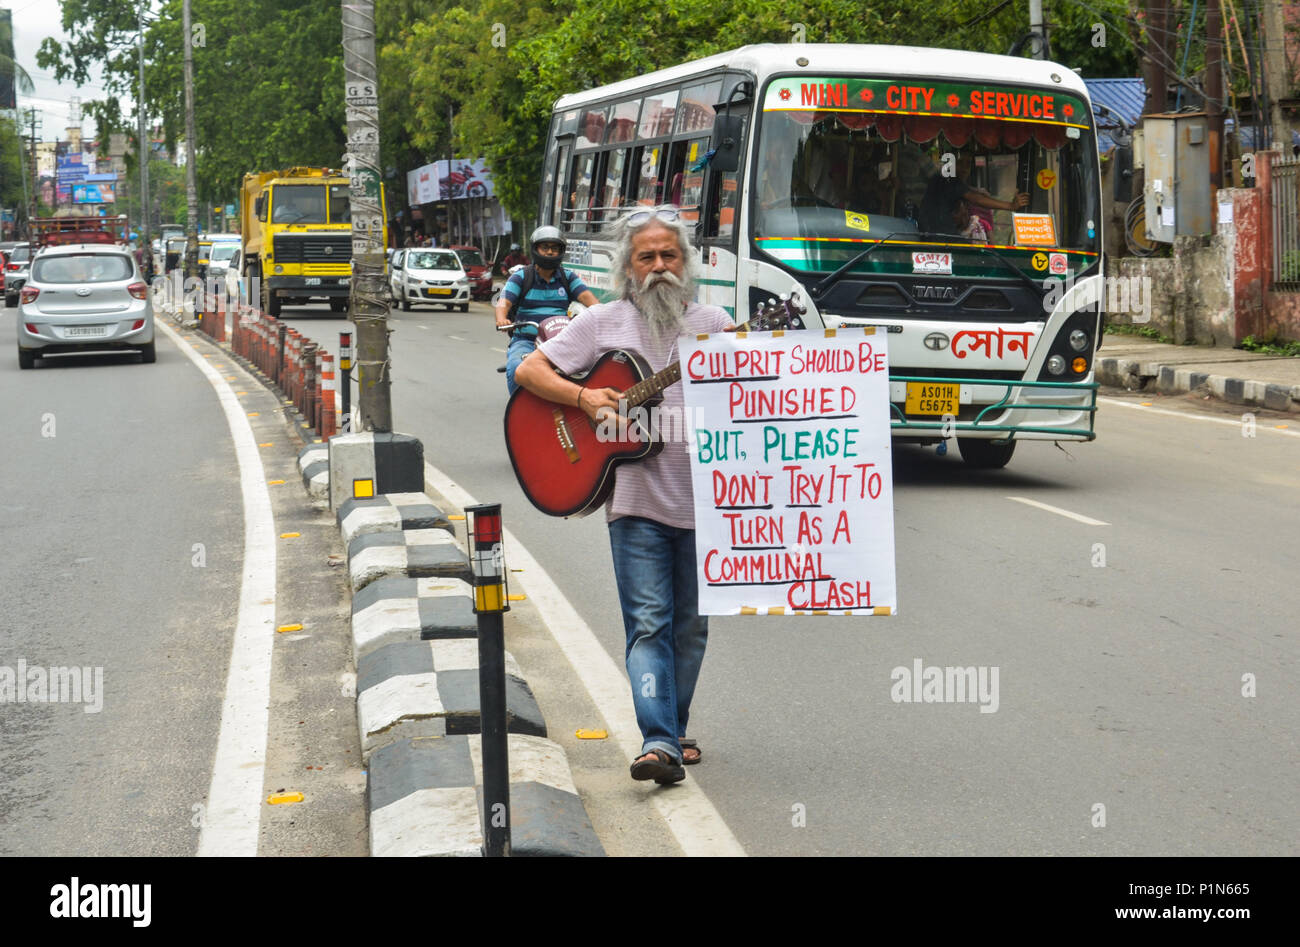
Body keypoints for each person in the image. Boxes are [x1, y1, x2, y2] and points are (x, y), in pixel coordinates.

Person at [514, 208, 735, 785]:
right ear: (627, 267)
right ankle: (658, 740)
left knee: (691, 629)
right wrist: (585, 400)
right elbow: (529, 373)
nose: (660, 266)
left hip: (709, 506)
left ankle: (673, 727)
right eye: (647, 256)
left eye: (670, 255)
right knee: (649, 624)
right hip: (635, 505)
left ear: (685, 263)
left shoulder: (716, 323)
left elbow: (753, 403)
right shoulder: (601, 323)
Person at [494, 225, 598, 395]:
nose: (550, 252)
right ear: (536, 249)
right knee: (516, 369)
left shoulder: (568, 277)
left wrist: (604, 317)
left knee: (590, 370)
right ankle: (519, 412)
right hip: (526, 340)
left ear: (561, 251)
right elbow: (503, 303)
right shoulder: (521, 277)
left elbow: (591, 301)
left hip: (561, 341)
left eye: (554, 248)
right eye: (545, 247)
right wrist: (502, 318)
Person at [919, 151, 1028, 234]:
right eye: (961, 163)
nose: (965, 168)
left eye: (968, 164)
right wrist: (1010, 205)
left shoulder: (944, 180)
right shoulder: (949, 180)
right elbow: (976, 199)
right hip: (940, 235)